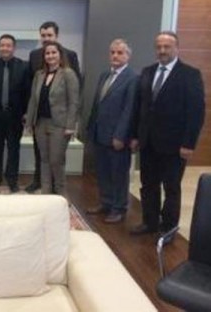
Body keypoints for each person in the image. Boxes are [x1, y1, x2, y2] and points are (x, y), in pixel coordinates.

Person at [130, 31, 204, 237]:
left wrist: (189, 143)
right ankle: (150, 222)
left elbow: (196, 112)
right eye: (159, 47)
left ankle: (169, 227)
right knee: (148, 185)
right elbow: (140, 107)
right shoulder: (147, 72)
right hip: (148, 142)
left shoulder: (190, 74)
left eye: (167, 47)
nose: (162, 50)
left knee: (171, 188)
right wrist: (135, 135)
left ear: (176, 48)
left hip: (174, 145)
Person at [85, 39, 138, 223]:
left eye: (120, 53)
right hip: (100, 133)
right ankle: (106, 203)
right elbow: (98, 104)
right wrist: (91, 129)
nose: (115, 56)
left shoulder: (132, 78)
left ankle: (119, 208)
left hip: (117, 137)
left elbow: (129, 110)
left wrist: (120, 135)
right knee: (103, 172)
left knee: (118, 174)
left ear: (128, 56)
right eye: (112, 52)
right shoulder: (105, 75)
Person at [26, 21, 81, 193]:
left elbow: (74, 101)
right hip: (40, 124)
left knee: (56, 161)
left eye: (53, 53)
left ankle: (60, 195)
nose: (50, 56)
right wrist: (29, 122)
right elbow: (33, 100)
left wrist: (71, 125)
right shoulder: (39, 74)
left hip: (59, 125)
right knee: (43, 160)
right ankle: (46, 193)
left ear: (59, 54)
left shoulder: (68, 74)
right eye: (47, 53)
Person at [0, 34, 31, 193]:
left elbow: (28, 92)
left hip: (15, 115)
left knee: (14, 149)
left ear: (14, 48)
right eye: (2, 45)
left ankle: (12, 179)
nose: (5, 48)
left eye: (8, 45)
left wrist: (26, 113)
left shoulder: (24, 67)